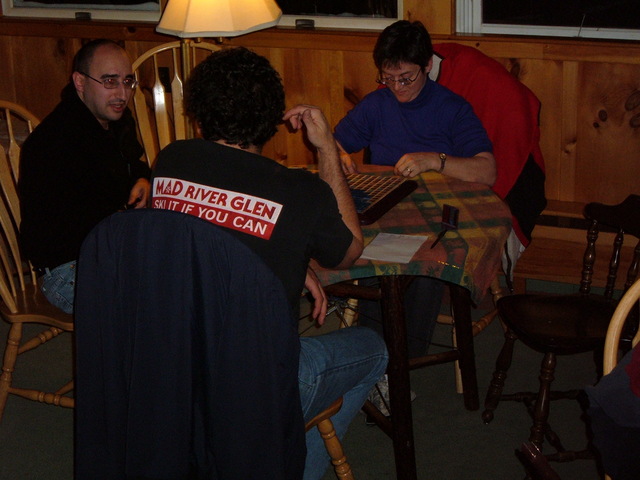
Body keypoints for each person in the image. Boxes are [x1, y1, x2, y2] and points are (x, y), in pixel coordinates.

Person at [149, 46, 388, 480]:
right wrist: (326, 153)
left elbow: (201, 236)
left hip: (169, 366)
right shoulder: (300, 192)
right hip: (256, 387)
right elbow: (352, 248)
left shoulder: (171, 160)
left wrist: (295, 262)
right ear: (273, 118)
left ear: (199, 113)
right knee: (374, 348)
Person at [333, 20, 496, 358]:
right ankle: (373, 358)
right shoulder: (377, 104)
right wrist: (340, 156)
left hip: (436, 216)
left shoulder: (452, 108)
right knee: (367, 254)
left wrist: (436, 160)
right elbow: (334, 143)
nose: (396, 87)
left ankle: (402, 362)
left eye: (405, 78)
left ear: (428, 66)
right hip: (386, 214)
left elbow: (487, 170)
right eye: (387, 78)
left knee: (422, 267)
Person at [19, 39, 151, 314]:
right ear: (80, 82)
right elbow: (70, 231)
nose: (121, 94)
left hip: (105, 247)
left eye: (127, 82)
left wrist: (142, 179)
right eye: (109, 81)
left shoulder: (110, 121)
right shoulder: (59, 142)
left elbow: (129, 166)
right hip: (67, 268)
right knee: (151, 306)